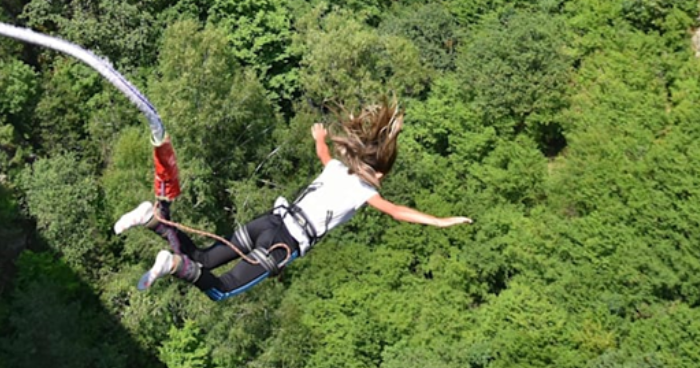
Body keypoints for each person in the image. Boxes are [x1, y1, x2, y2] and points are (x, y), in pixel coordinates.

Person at [113, 100, 472, 301]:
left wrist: (321, 135)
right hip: (284, 244)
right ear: (380, 172)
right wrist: (439, 221)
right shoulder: (366, 191)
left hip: (268, 222)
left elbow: (321, 152)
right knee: (220, 291)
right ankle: (172, 264)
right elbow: (396, 212)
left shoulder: (336, 167)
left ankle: (154, 221)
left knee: (203, 257)